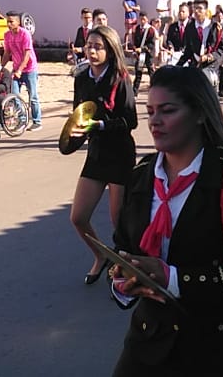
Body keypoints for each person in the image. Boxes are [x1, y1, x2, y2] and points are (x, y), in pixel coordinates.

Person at [109, 65, 223, 376]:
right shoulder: (141, 174)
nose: (154, 121)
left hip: (221, 346)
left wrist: (173, 278)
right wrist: (122, 280)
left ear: (199, 113)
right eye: (150, 111)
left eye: (167, 110)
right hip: (150, 338)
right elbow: (122, 249)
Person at [69, 26, 138, 284]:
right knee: (78, 217)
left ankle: (129, 270)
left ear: (110, 49)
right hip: (97, 153)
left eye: (98, 47)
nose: (92, 51)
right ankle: (100, 256)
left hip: (120, 153)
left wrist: (100, 125)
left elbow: (131, 120)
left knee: (118, 221)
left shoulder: (121, 78)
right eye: (89, 46)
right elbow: (78, 115)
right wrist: (75, 133)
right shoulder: (81, 78)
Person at [1, 11, 42, 130]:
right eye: (7, 22)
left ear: (18, 22)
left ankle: (37, 121)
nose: (9, 24)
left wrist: (20, 70)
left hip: (29, 69)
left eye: (11, 22)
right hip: (16, 68)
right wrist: (0, 67)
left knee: (33, 96)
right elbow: (7, 53)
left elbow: (27, 54)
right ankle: (22, 120)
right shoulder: (7, 35)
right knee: (14, 95)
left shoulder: (25, 34)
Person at [131, 13, 156, 95]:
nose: (142, 21)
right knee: (138, 72)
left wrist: (142, 49)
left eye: (144, 19)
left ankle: (154, 90)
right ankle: (134, 91)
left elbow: (151, 44)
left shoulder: (150, 30)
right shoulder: (137, 28)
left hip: (148, 54)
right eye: (141, 19)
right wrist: (135, 49)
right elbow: (135, 41)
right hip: (140, 55)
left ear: (147, 19)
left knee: (151, 73)